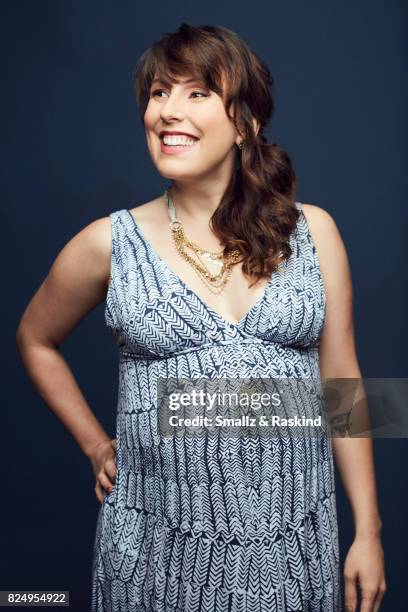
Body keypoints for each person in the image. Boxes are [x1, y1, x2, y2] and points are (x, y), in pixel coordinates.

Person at [16, 22, 386, 612]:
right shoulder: (107, 243)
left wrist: (368, 530)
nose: (167, 110)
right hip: (155, 555)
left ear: (246, 121)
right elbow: (35, 339)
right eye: (158, 93)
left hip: (292, 549)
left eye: (196, 92)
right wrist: (93, 445)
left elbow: (342, 385)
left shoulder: (314, 232)